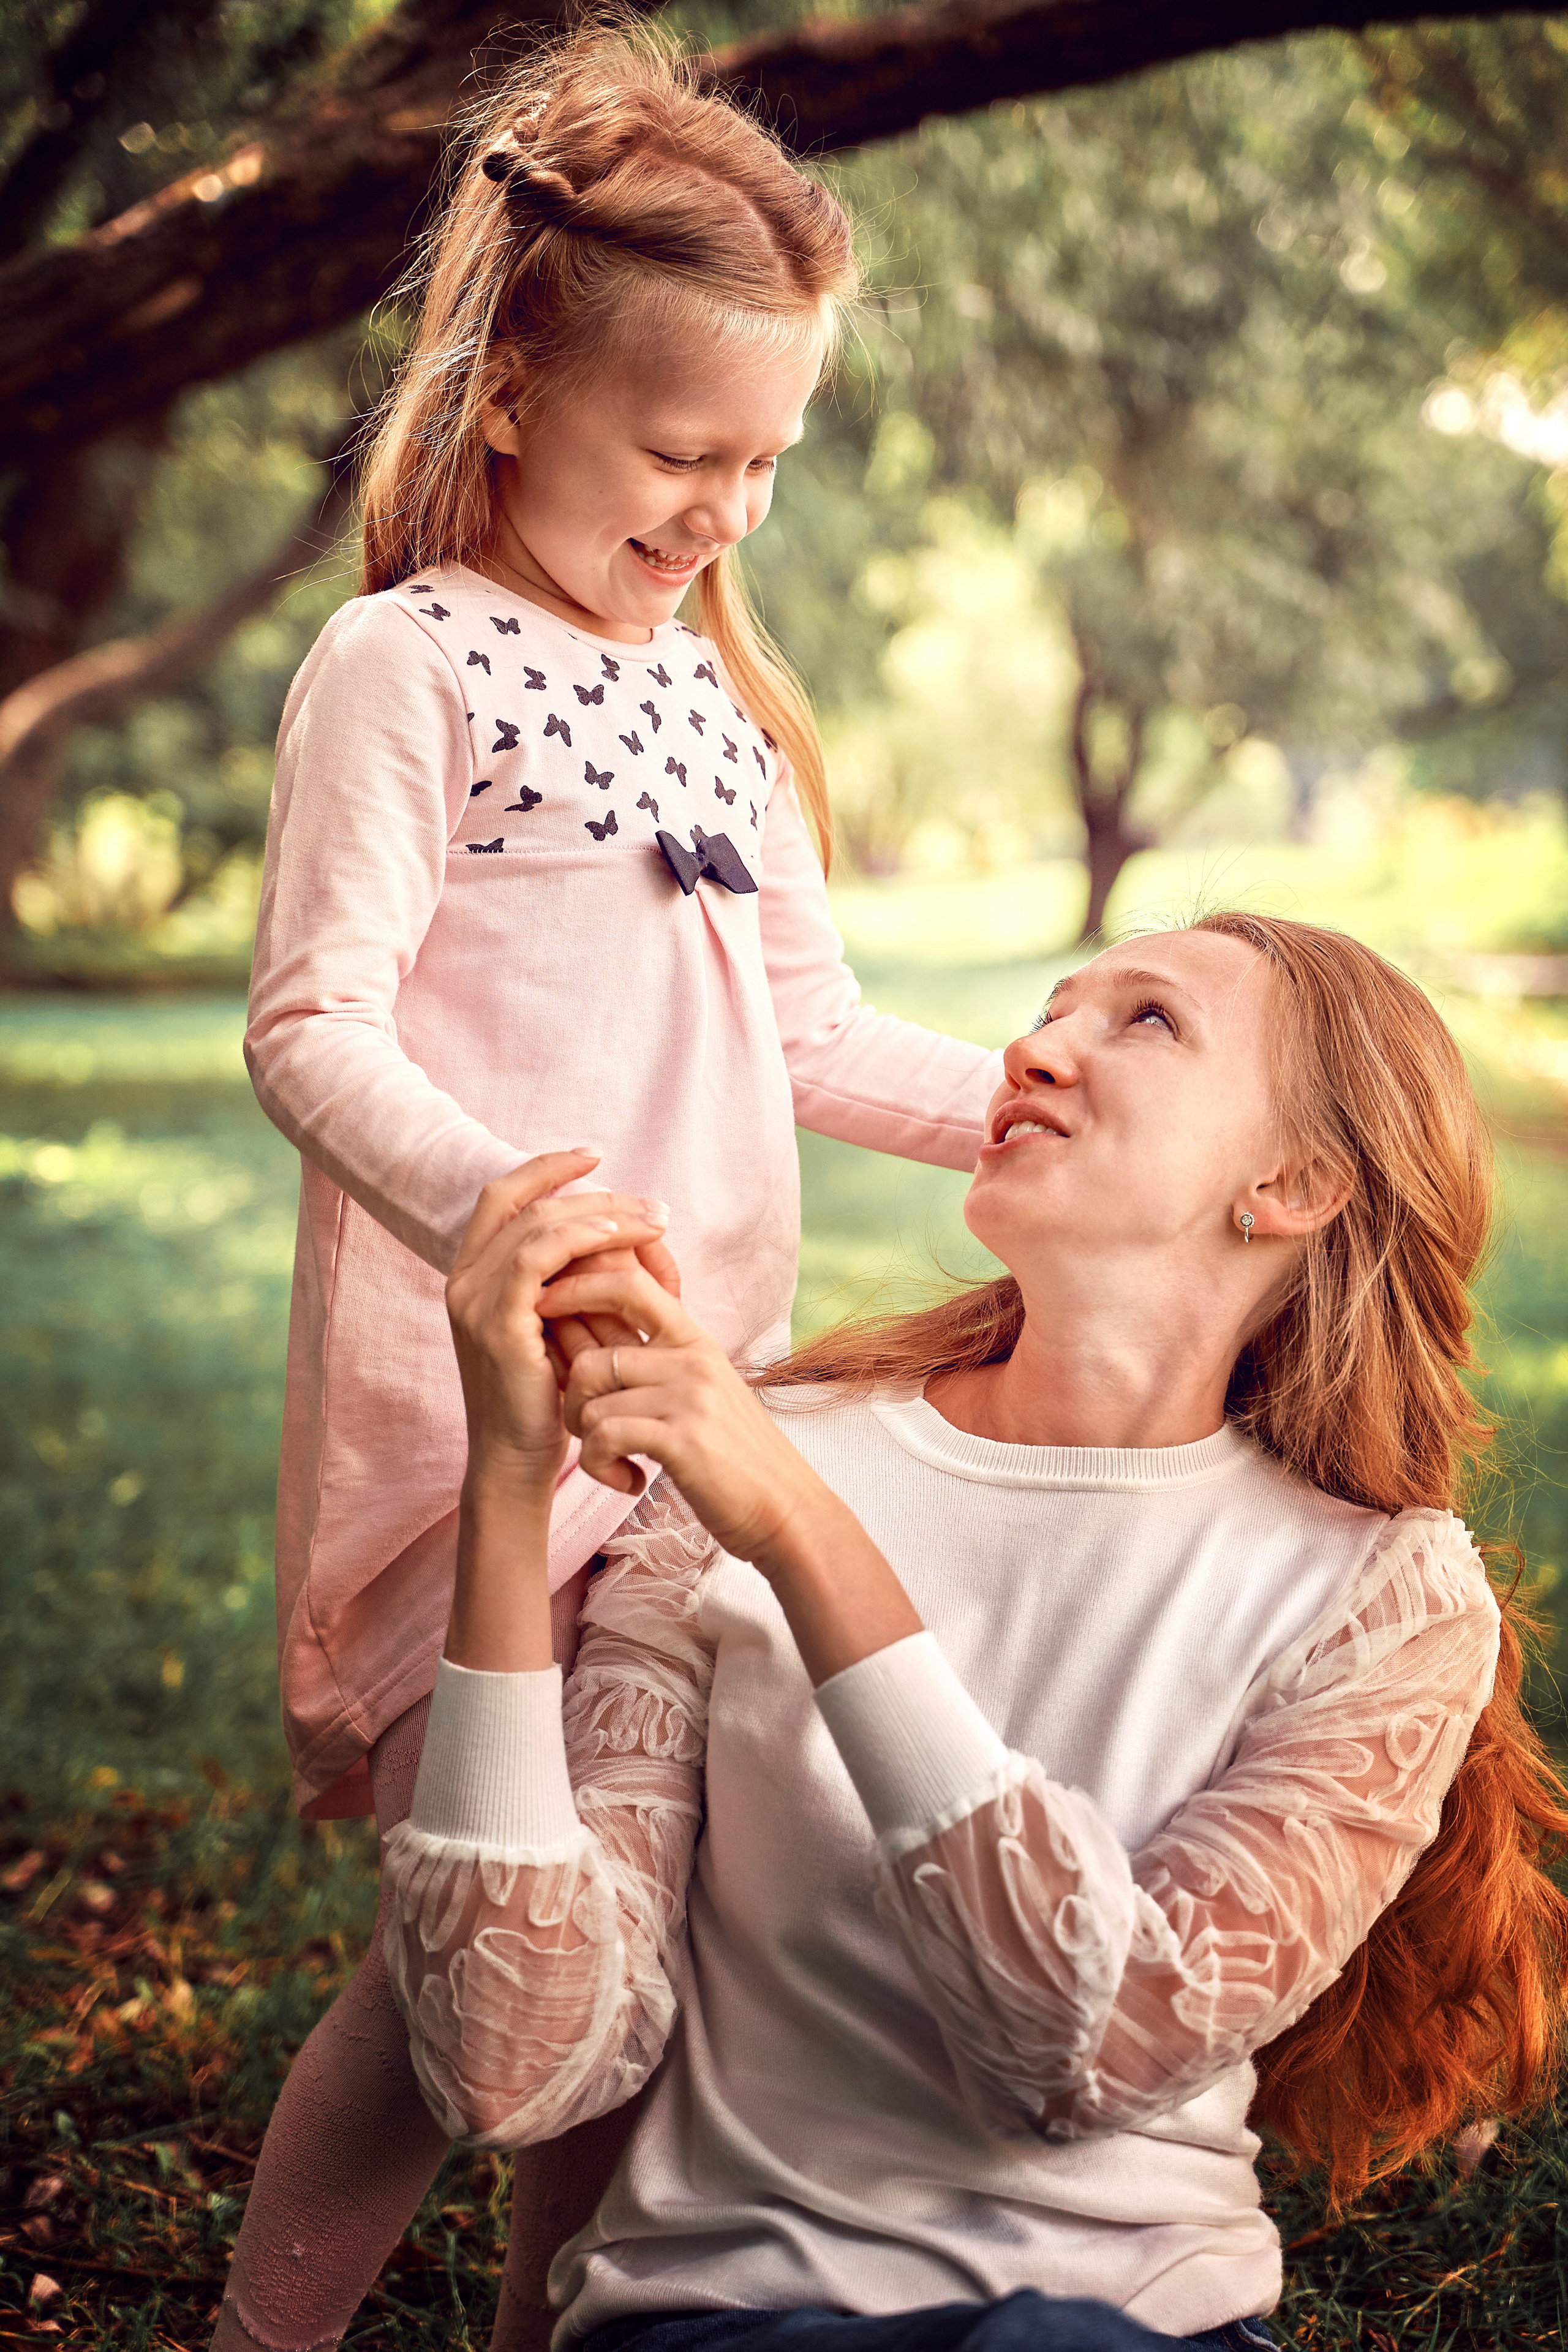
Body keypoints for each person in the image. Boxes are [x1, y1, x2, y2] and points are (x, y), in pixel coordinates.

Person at [223, 21, 1001, 2349]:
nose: (727, 509)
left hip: (697, 1414)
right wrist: (515, 1211)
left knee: (621, 1937)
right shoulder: (405, 666)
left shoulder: (725, 715)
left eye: (768, 460)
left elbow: (817, 1036)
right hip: (493, 1416)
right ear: (509, 395)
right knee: (453, 1943)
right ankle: (261, 2335)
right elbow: (305, 1029)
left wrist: (1037, 1098)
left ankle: (567, 2328)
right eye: (684, 451)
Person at [383, 911, 1568, 2352]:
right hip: (726, 2321)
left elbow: (1089, 2051)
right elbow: (510, 2066)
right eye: (1055, 1007)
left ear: (1295, 1180)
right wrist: (509, 1485)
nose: (1034, 1047)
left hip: (1130, 2329)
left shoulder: (1381, 1596)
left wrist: (805, 1537)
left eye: (1144, 1022)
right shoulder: (743, 1463)